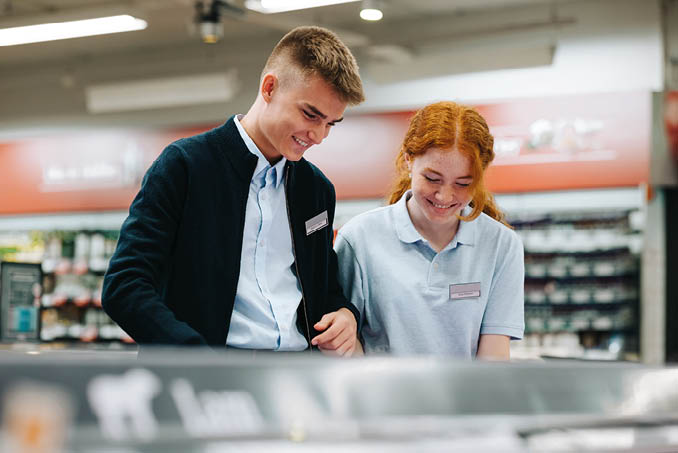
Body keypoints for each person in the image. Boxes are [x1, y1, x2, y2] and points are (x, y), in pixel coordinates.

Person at [102, 26, 364, 356]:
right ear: (269, 88)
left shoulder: (317, 191)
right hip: (205, 375)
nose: (319, 135)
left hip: (297, 377)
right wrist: (194, 355)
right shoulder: (185, 166)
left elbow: (324, 291)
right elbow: (124, 286)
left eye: (330, 123)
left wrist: (344, 314)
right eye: (310, 114)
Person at [335, 101, 524, 359]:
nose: (445, 196)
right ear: (408, 160)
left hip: (466, 398)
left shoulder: (501, 245)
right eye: (432, 179)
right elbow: (346, 342)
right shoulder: (359, 238)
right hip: (382, 397)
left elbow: (494, 354)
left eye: (463, 183)